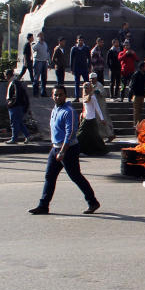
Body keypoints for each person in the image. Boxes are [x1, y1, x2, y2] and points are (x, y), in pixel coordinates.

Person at [28, 86, 100, 215]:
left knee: (75, 176)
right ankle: (43, 205)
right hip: (56, 148)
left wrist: (62, 151)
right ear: (52, 96)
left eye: (60, 95)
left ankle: (92, 202)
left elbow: (70, 132)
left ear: (65, 96)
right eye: (56, 95)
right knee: (49, 177)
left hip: (68, 149)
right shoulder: (55, 109)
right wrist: (56, 148)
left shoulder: (69, 111)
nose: (58, 97)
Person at [77, 82, 108, 156]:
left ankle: (76, 149)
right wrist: (82, 114)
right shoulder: (84, 96)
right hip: (86, 118)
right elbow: (85, 107)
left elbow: (97, 108)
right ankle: (88, 150)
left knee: (80, 135)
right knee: (93, 136)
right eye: (84, 87)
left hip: (90, 119)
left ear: (90, 88)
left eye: (87, 87)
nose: (85, 89)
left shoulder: (93, 97)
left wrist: (102, 118)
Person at [4, 68, 31, 144]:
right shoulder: (14, 82)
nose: (5, 78)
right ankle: (27, 136)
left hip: (15, 106)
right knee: (19, 122)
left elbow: (17, 95)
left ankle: (14, 139)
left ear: (9, 75)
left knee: (14, 122)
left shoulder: (14, 82)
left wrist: (11, 103)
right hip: (16, 106)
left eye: (5, 76)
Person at [89, 71, 115, 142]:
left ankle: (110, 134)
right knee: (97, 122)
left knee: (104, 120)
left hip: (101, 106)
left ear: (96, 79)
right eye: (90, 79)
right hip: (94, 106)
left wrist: (98, 92)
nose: (92, 80)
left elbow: (104, 93)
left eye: (93, 79)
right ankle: (100, 136)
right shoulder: (90, 86)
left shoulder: (99, 85)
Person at [70, 35, 91, 100]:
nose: (80, 42)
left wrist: (89, 67)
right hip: (77, 68)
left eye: (82, 40)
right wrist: (71, 69)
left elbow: (89, 58)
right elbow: (71, 59)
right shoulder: (74, 48)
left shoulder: (86, 48)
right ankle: (77, 97)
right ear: (77, 40)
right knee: (77, 83)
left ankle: (87, 96)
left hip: (84, 68)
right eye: (79, 40)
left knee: (87, 83)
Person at [32, 32, 49, 97]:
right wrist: (38, 42)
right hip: (38, 62)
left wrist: (48, 60)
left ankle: (43, 92)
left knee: (44, 78)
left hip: (44, 62)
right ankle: (35, 93)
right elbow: (33, 50)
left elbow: (47, 52)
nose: (42, 37)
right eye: (40, 36)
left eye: (43, 36)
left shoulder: (45, 44)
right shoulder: (36, 44)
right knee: (36, 78)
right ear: (38, 37)